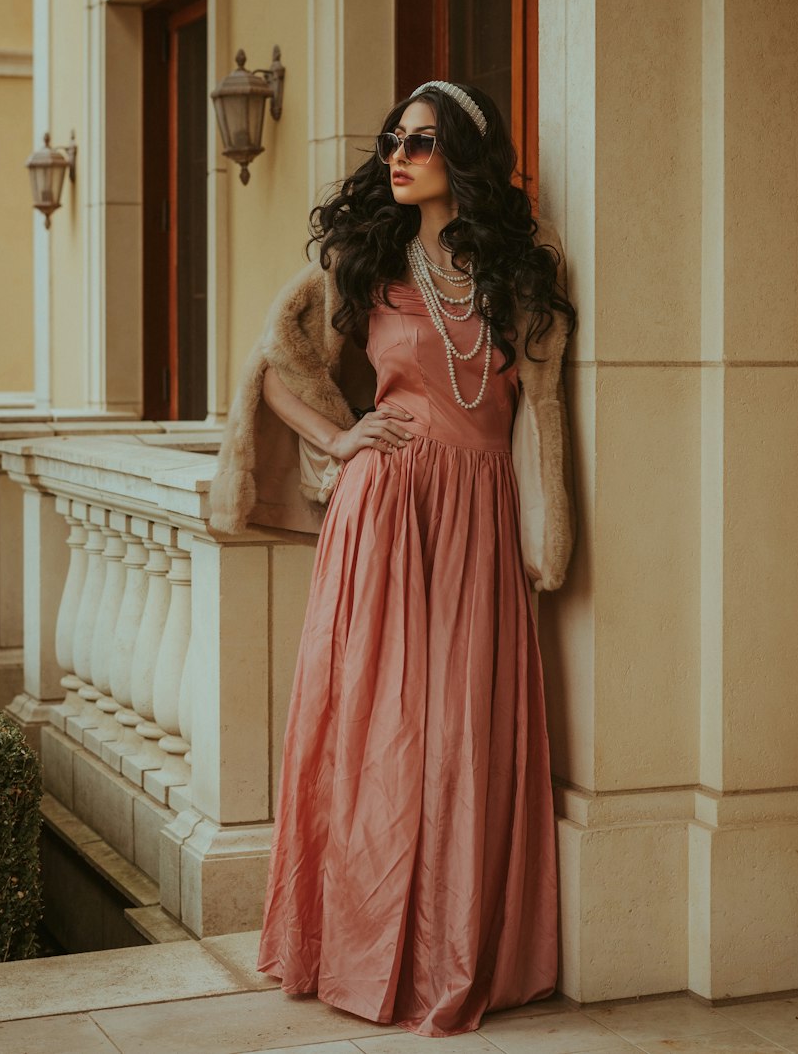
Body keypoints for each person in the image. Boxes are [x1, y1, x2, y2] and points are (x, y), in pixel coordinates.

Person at [208, 80, 576, 1037]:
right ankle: (358, 943)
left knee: (460, 732)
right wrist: (341, 442)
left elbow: (539, 415)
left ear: (465, 157)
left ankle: (451, 950)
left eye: (420, 142)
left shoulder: (516, 276)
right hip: (388, 509)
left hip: (481, 518)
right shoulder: (364, 264)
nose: (398, 156)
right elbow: (273, 366)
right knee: (378, 722)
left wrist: (549, 531)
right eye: (392, 141)